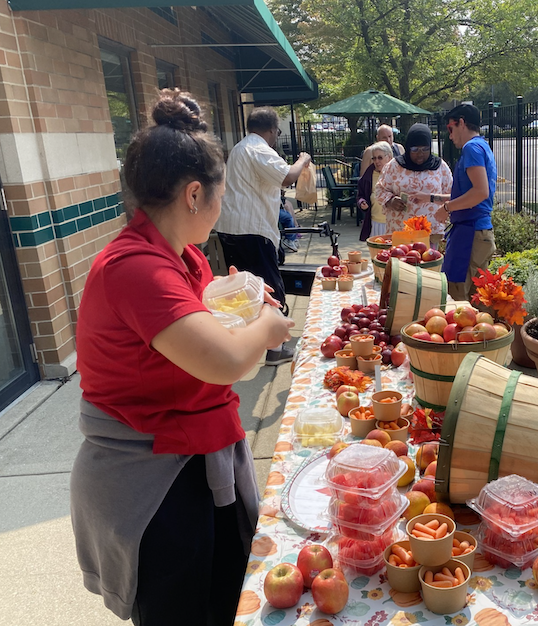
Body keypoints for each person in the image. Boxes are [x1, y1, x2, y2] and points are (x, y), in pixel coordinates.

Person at [71, 90, 295, 626]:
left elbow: (205, 300)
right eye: (221, 196)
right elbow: (226, 362)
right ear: (195, 194)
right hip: (153, 479)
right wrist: (269, 325)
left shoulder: (179, 255)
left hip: (189, 453)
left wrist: (239, 290)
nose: (221, 209)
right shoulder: (136, 268)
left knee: (223, 601)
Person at [214, 106, 311, 365]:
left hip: (233, 229)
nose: (277, 136)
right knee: (269, 288)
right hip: (253, 231)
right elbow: (287, 177)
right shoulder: (258, 149)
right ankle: (276, 349)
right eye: (277, 131)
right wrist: (302, 160)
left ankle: (255, 343)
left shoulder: (239, 148)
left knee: (248, 291)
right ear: (271, 129)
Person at [435, 104, 497, 301]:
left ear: (461, 122)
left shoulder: (471, 148)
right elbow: (474, 194)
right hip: (473, 232)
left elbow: (480, 192)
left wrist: (447, 208)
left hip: (471, 233)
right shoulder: (481, 146)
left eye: (450, 129)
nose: (450, 136)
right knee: (475, 301)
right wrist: (433, 198)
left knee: (460, 301)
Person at [374, 123, 453, 249]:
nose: (420, 154)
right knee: (401, 266)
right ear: (408, 147)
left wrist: (435, 200)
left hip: (430, 232)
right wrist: (390, 201)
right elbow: (379, 190)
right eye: (415, 150)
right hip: (400, 232)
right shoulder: (394, 166)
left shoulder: (440, 167)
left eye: (425, 149)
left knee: (427, 265)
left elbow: (452, 195)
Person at [356, 141, 392, 241]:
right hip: (375, 222)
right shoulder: (368, 175)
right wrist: (362, 202)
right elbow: (360, 195)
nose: (377, 161)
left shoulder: (397, 174)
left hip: (393, 223)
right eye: (374, 158)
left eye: (380, 157)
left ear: (389, 157)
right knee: (377, 254)